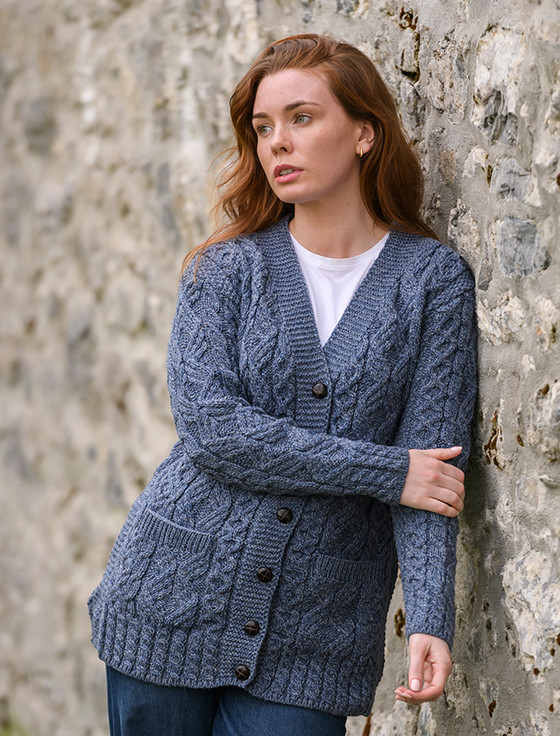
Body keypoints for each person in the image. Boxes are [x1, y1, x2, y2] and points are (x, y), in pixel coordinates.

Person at [88, 33, 478, 736]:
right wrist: (387, 472)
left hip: (318, 631)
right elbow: (213, 430)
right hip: (171, 595)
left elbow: (435, 473)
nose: (278, 143)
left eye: (302, 118)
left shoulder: (431, 281)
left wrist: (429, 617)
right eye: (263, 127)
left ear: (364, 133)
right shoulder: (224, 270)